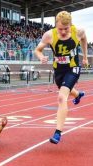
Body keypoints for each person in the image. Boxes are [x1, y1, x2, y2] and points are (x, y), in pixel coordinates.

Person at [35, 11, 88, 144]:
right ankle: (77, 95)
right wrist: (41, 57)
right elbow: (37, 49)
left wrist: (85, 57)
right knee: (67, 90)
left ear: (71, 25)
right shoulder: (49, 35)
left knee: (61, 96)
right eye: (60, 29)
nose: (63, 32)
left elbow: (84, 39)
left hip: (73, 67)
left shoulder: (78, 31)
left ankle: (58, 133)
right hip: (58, 69)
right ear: (55, 26)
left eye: (66, 29)